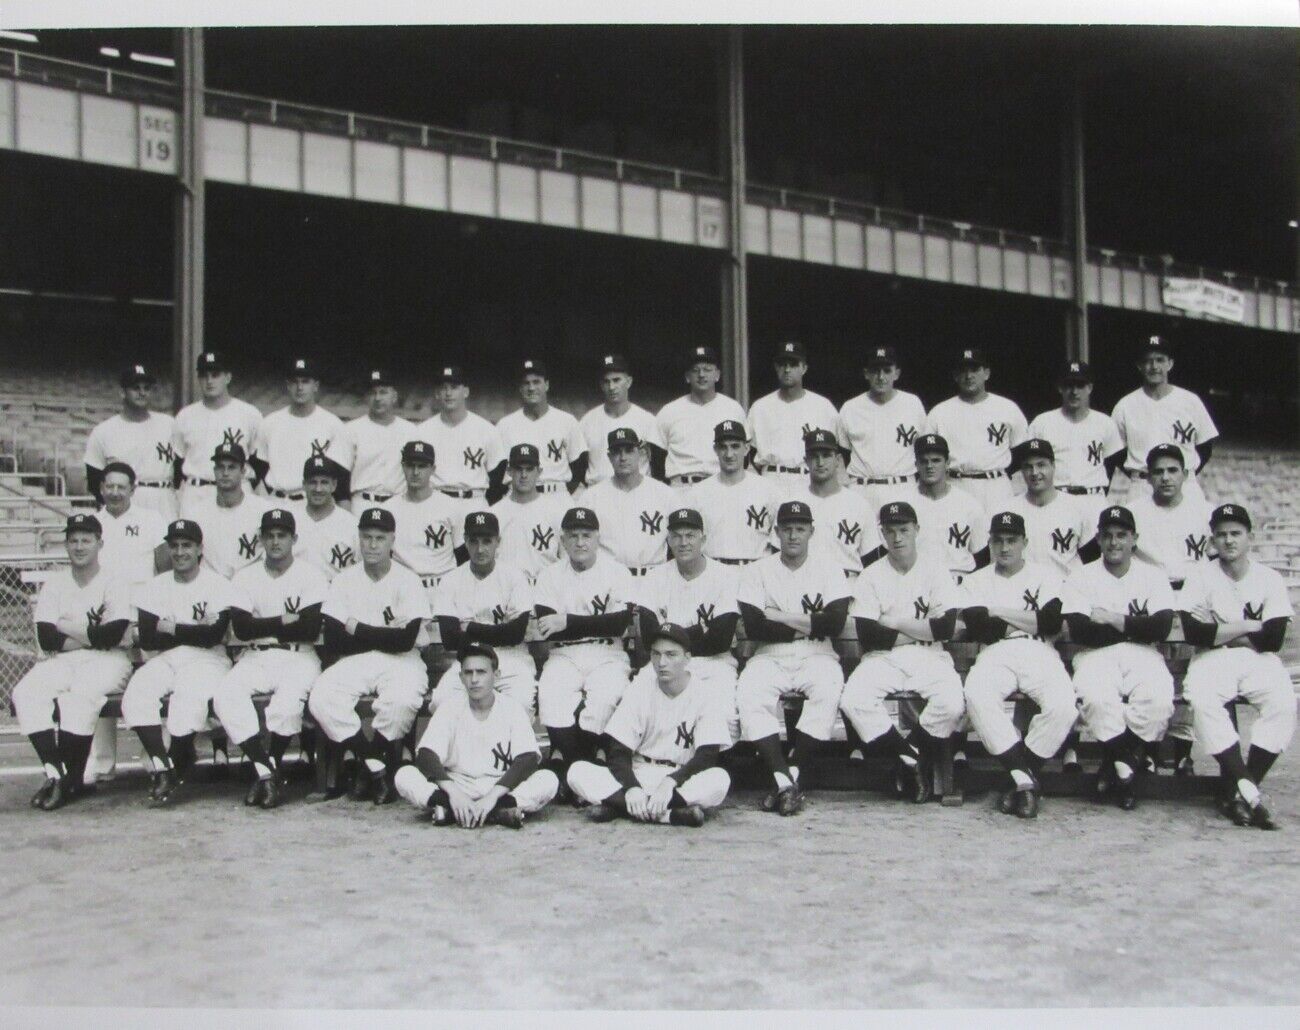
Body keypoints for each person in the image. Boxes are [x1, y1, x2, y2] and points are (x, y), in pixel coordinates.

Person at [839, 501, 964, 805]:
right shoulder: (870, 575)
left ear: (916, 530)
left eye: (904, 530)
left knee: (951, 704)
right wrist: (922, 628)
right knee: (853, 700)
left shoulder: (936, 571)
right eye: (890, 531)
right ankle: (910, 758)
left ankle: (908, 754)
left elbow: (945, 629)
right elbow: (870, 637)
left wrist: (894, 623)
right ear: (881, 533)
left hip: (930, 655)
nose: (897, 538)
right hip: (883, 659)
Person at [306, 507, 432, 804]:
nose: (372, 545)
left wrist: (357, 627)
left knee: (401, 701)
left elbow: (405, 641)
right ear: (358, 539)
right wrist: (382, 634)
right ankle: (375, 765)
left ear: (392, 541)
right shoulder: (344, 580)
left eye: (380, 538)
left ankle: (367, 772)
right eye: (366, 537)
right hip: (356, 660)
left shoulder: (407, 579)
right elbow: (335, 640)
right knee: (322, 698)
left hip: (401, 661)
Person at [1180, 504, 1295, 830]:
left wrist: (1223, 631)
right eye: (1222, 534)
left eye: (1236, 533)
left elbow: (1273, 640)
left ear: (1249, 537)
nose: (1229, 540)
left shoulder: (1269, 578)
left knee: (1283, 704)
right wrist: (1250, 626)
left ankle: (1238, 789)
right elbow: (1194, 633)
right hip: (1212, 659)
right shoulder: (1201, 575)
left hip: (1258, 660)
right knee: (1202, 700)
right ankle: (1246, 788)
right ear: (1213, 539)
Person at [735, 500, 850, 816]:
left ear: (811, 531)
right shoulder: (758, 570)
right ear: (776, 532)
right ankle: (784, 777)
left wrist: (781, 616)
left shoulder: (829, 569)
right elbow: (757, 627)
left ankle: (790, 775)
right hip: (769, 655)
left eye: (800, 529)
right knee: (749, 694)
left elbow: (836, 623)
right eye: (787, 529)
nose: (793, 536)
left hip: (818, 654)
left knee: (828, 691)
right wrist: (809, 622)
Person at [960, 511, 1075, 819]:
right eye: (998, 541)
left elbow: (1051, 624)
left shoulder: (1047, 575)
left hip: (1040, 651)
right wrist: (1028, 621)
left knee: (1064, 706)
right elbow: (980, 628)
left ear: (1025, 541)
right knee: (978, 696)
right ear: (990, 543)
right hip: (996, 653)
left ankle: (1018, 777)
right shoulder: (976, 580)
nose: (1005, 548)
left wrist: (998, 611)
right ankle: (1024, 779)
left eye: (1012, 540)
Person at [13, 514, 132, 810]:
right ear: (66, 545)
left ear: (99, 543)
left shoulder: (114, 580)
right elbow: (46, 638)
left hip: (109, 660)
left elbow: (115, 634)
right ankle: (57, 775)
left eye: (86, 540)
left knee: (78, 698)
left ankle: (70, 781)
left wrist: (66, 626)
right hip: (64, 658)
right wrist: (93, 635)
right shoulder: (55, 583)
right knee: (25, 693)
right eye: (73, 540)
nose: (79, 546)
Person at [211, 508, 327, 809]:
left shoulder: (311, 575)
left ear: (294, 539)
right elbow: (243, 628)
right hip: (256, 655)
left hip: (299, 656)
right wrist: (285, 621)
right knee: (225, 696)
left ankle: (264, 774)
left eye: (282, 535)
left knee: (287, 707)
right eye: (270, 535)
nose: (276, 542)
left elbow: (310, 628)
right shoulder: (245, 575)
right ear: (261, 539)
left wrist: (268, 624)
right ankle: (267, 772)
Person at [1061, 505, 1176, 812]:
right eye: (1108, 536)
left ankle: (1113, 764)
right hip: (1095, 655)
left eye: (1121, 535)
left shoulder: (1153, 575)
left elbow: (1162, 626)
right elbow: (1082, 630)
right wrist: (1135, 627)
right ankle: (1125, 770)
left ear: (1134, 539)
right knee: (1097, 700)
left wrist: (1113, 619)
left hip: (1144, 654)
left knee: (1159, 700)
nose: (1114, 543)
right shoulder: (1081, 576)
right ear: (1098, 539)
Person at [121, 519, 239, 804]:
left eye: (186, 545)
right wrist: (192, 631)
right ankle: (164, 767)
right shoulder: (155, 586)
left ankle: (175, 762)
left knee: (188, 698)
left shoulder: (217, 584)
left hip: (208, 659)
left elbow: (213, 636)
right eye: (174, 546)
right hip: (166, 658)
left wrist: (171, 627)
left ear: (200, 549)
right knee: (137, 692)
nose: (179, 552)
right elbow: (148, 638)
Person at [569, 624, 732, 827]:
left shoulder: (704, 693)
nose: (662, 662)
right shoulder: (639, 690)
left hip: (681, 776)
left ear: (688, 658)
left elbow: (707, 756)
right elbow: (618, 751)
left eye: (671, 655)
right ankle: (671, 815)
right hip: (640, 769)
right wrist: (632, 788)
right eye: (656, 654)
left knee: (719, 779)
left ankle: (621, 807)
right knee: (577, 772)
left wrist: (670, 782)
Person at [394, 643, 559, 829]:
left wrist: (492, 797)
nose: (474, 679)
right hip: (457, 784)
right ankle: (496, 813)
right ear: (461, 677)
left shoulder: (511, 707)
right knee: (404, 775)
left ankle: (451, 811)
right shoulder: (450, 707)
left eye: (481, 672)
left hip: (500, 786)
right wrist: (454, 794)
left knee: (548, 780)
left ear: (495, 676)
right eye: (468, 673)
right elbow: (426, 755)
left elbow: (528, 759)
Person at [532, 507, 638, 787]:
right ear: (563, 540)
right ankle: (579, 764)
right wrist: (594, 622)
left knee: (605, 697)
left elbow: (617, 624)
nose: (580, 542)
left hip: (608, 651)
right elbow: (545, 625)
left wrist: (567, 620)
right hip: (564, 653)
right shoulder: (550, 575)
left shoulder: (617, 572)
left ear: (598, 538)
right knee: (551, 694)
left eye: (587, 535)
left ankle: (574, 765)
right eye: (573, 536)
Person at [636, 507, 742, 743]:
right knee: (637, 700)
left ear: (703, 538)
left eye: (690, 535)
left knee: (724, 715)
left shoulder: (726, 576)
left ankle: (721, 771)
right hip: (664, 662)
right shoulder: (655, 577)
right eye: (677, 536)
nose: (683, 542)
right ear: (668, 540)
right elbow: (648, 637)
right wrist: (697, 631)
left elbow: (721, 639)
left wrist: (670, 634)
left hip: (715, 663)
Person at [428, 511, 537, 715]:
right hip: (468, 658)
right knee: (442, 701)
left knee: (520, 704)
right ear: (465, 542)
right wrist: (498, 631)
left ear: (498, 542)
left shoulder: (514, 577)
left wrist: (469, 627)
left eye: (487, 541)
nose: (480, 549)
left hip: (511, 658)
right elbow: (450, 639)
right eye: (474, 541)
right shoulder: (451, 580)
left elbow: (516, 633)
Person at [1112, 334, 1218, 504]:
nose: (1154, 366)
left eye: (1160, 360)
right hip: (1142, 485)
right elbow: (1115, 452)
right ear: (1139, 366)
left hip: (1185, 486)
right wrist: (1144, 475)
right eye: (1148, 361)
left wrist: (1180, 475)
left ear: (1170, 363)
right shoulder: (1125, 405)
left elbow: (1205, 447)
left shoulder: (1190, 401)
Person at [926, 347, 1027, 510]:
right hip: (956, 483)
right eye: (963, 371)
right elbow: (927, 457)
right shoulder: (940, 412)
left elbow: (1023, 453)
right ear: (955, 376)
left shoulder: (1007, 408)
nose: (969, 376)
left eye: (974, 369)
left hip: (996, 485)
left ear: (986, 373)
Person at [1027, 360, 1124, 528]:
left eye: (1080, 385)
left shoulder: (1105, 423)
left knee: (1096, 552)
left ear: (1090, 388)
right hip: (1057, 497)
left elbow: (1112, 464)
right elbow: (1030, 465)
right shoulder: (1042, 422)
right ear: (1060, 388)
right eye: (1069, 385)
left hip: (1093, 498)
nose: (1074, 391)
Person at [837, 346, 928, 516]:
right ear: (866, 374)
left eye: (887, 371)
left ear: (897, 373)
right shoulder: (850, 407)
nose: (881, 377)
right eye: (875, 371)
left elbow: (924, 449)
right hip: (861, 489)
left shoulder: (912, 404)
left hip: (903, 487)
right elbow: (840, 453)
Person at [172, 351, 263, 518]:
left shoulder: (249, 414)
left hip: (238, 491)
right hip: (196, 490)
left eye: (215, 375)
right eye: (204, 375)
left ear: (227, 377)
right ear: (198, 378)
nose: (209, 381)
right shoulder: (185, 416)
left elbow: (258, 461)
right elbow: (177, 462)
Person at [84, 362, 177, 518]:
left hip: (163, 497)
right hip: (125, 499)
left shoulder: (169, 424)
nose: (142, 392)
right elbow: (94, 481)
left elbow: (181, 468)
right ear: (122, 392)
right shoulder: (104, 430)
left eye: (146, 388)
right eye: (136, 388)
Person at [580, 428, 676, 576]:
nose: (623, 457)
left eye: (629, 450)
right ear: (609, 456)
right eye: (617, 452)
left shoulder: (665, 494)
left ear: (640, 453)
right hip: (609, 578)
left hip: (654, 578)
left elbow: (679, 539)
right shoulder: (591, 497)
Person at [747, 340, 839, 495]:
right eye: (783, 364)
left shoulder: (823, 406)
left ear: (804, 368)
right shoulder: (760, 407)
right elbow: (748, 453)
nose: (787, 369)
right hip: (771, 478)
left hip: (808, 478)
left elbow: (837, 452)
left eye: (794, 364)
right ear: (776, 368)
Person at [685, 419, 781, 566]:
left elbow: (778, 542)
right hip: (713, 570)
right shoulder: (698, 493)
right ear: (715, 449)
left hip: (755, 570)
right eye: (723, 447)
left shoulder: (768, 490)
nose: (729, 454)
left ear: (747, 448)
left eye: (735, 446)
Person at [416, 364, 505, 514]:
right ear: (437, 393)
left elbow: (498, 478)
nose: (448, 393)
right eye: (443, 388)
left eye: (454, 387)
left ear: (466, 391)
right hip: (435, 503)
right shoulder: (422, 431)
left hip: (473, 502)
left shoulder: (486, 429)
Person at [252, 356, 342, 503]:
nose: (299, 387)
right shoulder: (270, 422)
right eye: (295, 382)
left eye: (305, 382)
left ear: (316, 386)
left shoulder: (332, 424)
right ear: (288, 385)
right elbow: (260, 466)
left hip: (311, 502)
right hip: (275, 500)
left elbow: (339, 476)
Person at [379, 440, 463, 596]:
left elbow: (462, 554)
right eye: (411, 465)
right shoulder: (389, 509)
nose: (415, 472)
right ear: (403, 467)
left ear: (432, 469)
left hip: (443, 587)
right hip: (404, 589)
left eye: (422, 466)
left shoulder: (450, 506)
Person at [792, 428, 879, 579]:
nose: (820, 462)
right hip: (804, 582)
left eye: (826, 456)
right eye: (814, 457)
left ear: (838, 460)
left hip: (848, 583)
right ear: (805, 461)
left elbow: (872, 562)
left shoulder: (858, 505)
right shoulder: (794, 503)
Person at [656, 346, 747, 489]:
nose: (701, 375)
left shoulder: (733, 408)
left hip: (721, 485)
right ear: (687, 376)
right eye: (695, 370)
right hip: (681, 487)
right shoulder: (669, 411)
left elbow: (743, 453)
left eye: (707, 369)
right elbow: (656, 458)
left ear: (717, 374)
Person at [1127, 444, 1215, 589]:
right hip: (1149, 592)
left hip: (1195, 592)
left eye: (1172, 470)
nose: (1165, 478)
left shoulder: (1206, 511)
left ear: (1185, 475)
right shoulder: (1132, 513)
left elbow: (1217, 558)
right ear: (1148, 477)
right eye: (1158, 472)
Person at [1003, 439, 1095, 576]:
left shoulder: (1078, 508)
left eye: (1041, 465)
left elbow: (1092, 560)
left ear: (1053, 465)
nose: (1034, 472)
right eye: (1028, 467)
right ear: (1021, 471)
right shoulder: (1008, 510)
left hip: (1064, 590)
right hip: (1023, 591)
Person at [495, 359, 587, 494]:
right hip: (518, 496)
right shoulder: (504, 425)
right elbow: (497, 472)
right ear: (520, 388)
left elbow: (579, 467)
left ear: (547, 385)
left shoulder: (567, 421)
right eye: (526, 383)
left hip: (555, 494)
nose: (531, 388)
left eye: (536, 382)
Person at [903, 433, 987, 582]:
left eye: (936, 460)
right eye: (924, 461)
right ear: (915, 465)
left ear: (947, 463)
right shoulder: (904, 502)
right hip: (915, 582)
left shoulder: (969, 504)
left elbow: (982, 555)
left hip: (958, 581)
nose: (930, 466)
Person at [327, 368, 415, 507]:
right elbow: (340, 478)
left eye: (383, 392)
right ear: (366, 397)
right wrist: (346, 514)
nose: (378, 398)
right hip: (362, 503)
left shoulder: (411, 431)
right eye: (373, 393)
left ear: (394, 396)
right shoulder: (350, 430)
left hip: (399, 503)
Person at [579, 353, 666, 486]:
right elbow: (579, 466)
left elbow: (658, 466)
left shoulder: (647, 420)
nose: (611, 387)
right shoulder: (587, 421)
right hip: (598, 492)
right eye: (606, 382)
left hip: (637, 492)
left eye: (616, 380)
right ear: (601, 385)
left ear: (629, 381)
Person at [188, 442, 272, 580]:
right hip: (210, 585)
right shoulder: (197, 512)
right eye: (220, 467)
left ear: (243, 471)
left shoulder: (263, 510)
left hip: (250, 584)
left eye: (232, 467)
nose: (225, 473)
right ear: (214, 471)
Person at [490, 443, 570, 583]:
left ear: (539, 471)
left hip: (545, 588)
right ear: (509, 471)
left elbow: (566, 559)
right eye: (518, 469)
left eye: (529, 469)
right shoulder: (495, 514)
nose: (524, 475)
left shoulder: (556, 511)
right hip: (507, 589)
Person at [96, 461, 170, 587]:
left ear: (132, 490)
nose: (115, 493)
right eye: (110, 486)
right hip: (102, 600)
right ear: (102, 488)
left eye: (121, 487)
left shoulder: (152, 520)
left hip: (141, 599)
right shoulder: (92, 523)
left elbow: (166, 571)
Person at [291, 455, 358, 582]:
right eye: (313, 482)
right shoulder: (291, 520)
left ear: (334, 485)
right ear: (304, 485)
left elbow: (361, 571)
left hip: (336, 593)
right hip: (296, 592)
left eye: (324, 482)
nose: (318, 489)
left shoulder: (351, 525)